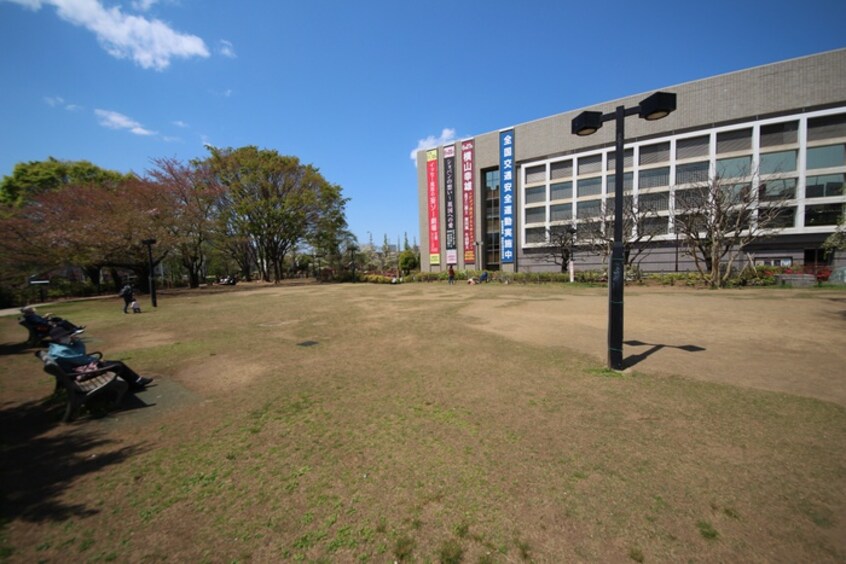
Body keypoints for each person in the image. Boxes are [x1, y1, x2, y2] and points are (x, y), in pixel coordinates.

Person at [47, 326, 152, 390]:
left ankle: (136, 381)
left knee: (115, 364)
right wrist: (96, 360)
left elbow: (80, 355)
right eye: (67, 336)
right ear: (59, 338)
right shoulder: (61, 351)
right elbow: (81, 358)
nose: (68, 337)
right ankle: (137, 382)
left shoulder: (57, 347)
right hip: (79, 373)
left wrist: (75, 341)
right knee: (117, 365)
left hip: (76, 370)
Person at [20, 306, 84, 334]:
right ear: (29, 311)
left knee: (58, 319)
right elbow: (40, 322)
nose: (33, 309)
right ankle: (74, 330)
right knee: (63, 322)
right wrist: (50, 322)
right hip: (45, 328)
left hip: (44, 326)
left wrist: (46, 317)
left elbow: (40, 320)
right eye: (32, 309)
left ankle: (75, 329)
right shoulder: (31, 316)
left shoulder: (30, 316)